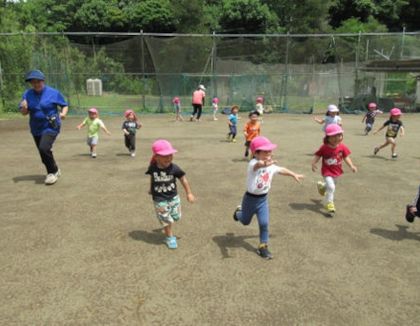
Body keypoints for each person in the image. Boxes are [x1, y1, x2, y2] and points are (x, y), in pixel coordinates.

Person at [233, 136, 304, 259]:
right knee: (245, 221)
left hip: (262, 200)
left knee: (264, 223)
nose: (268, 153)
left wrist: (294, 174)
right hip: (250, 199)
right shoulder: (253, 163)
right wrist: (265, 163)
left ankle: (263, 246)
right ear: (256, 153)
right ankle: (238, 213)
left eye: (270, 151)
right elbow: (258, 165)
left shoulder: (271, 165)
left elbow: (281, 169)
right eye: (265, 151)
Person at [19, 69, 68, 185]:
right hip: (36, 127)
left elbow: (64, 105)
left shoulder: (53, 92)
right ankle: (55, 169)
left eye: (38, 81)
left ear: (43, 81)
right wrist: (24, 107)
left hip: (51, 126)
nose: (36, 84)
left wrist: (63, 113)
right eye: (33, 82)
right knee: (43, 152)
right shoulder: (27, 94)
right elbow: (24, 113)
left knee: (44, 148)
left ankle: (51, 173)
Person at [146, 139, 195, 249]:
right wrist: (150, 188)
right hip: (159, 199)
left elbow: (183, 180)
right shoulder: (152, 168)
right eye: (165, 156)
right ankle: (169, 237)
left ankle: (168, 224)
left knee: (176, 217)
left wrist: (189, 193)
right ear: (157, 156)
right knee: (166, 219)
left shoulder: (174, 168)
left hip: (173, 197)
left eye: (170, 155)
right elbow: (152, 178)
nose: (169, 158)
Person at [312, 124, 357, 216]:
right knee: (332, 187)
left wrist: (351, 165)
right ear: (328, 137)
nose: (337, 138)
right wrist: (313, 163)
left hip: (337, 171)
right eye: (334, 136)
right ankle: (330, 204)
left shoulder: (342, 147)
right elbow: (318, 155)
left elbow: (346, 157)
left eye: (339, 135)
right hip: (327, 171)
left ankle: (322, 187)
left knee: (330, 185)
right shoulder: (324, 147)